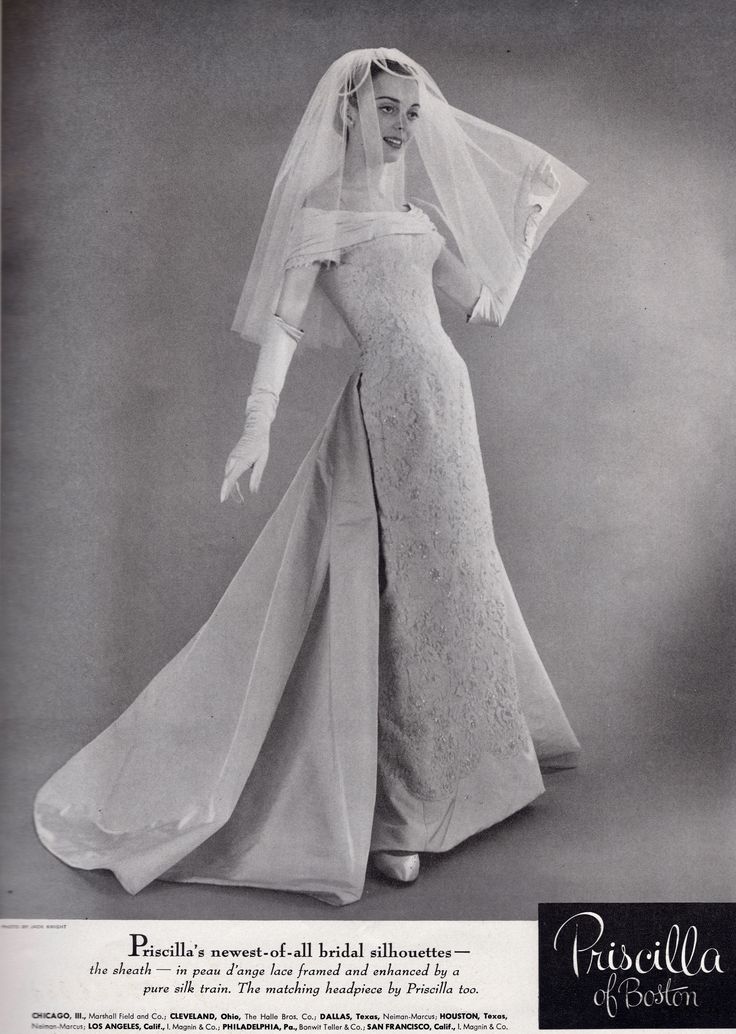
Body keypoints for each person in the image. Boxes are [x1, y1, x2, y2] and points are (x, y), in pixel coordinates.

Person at [34, 48, 587, 905]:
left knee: (459, 577)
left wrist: (528, 221)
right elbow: (286, 330)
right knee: (397, 594)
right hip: (392, 407)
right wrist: (254, 430)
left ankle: (470, 780)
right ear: (349, 117)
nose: (403, 126)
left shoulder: (421, 214)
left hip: (449, 402)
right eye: (387, 111)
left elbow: (487, 306)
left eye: (411, 112)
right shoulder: (321, 217)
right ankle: (398, 815)